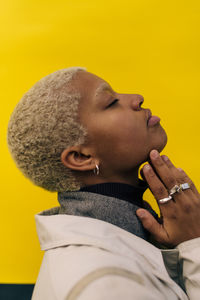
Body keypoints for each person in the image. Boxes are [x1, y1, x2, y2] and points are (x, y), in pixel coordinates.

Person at [7, 67, 200, 300]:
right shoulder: (100, 284)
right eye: (111, 102)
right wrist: (194, 246)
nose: (137, 98)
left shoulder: (123, 247)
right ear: (82, 157)